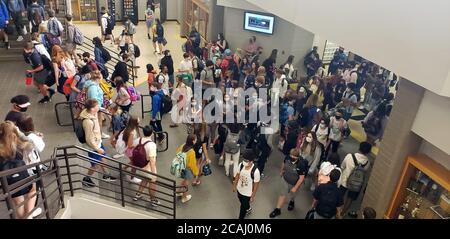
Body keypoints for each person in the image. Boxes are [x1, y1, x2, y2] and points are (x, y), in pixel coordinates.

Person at [0, 121, 40, 219]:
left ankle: (26, 217)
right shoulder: (21, 144)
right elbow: (34, 145)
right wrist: (20, 134)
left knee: (17, 201)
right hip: (22, 176)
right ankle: (29, 215)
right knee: (33, 190)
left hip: (7, 181)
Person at [79, 99, 117, 187]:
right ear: (92, 109)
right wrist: (97, 149)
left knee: (103, 159)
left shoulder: (92, 113)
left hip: (98, 142)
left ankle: (106, 174)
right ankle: (86, 179)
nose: (98, 106)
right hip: (94, 146)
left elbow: (99, 110)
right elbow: (89, 139)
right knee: (95, 165)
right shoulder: (88, 122)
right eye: (97, 106)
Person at [269, 149, 308, 218]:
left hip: (294, 183)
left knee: (293, 194)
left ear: (298, 157)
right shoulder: (287, 158)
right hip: (285, 180)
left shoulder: (300, 165)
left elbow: (301, 178)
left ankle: (292, 201)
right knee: (282, 194)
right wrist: (281, 171)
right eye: (291, 156)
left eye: (294, 157)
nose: (292, 158)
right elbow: (283, 163)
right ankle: (278, 209)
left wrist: (295, 187)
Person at [339, 142, 372, 217]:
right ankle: (342, 213)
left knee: (340, 195)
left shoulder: (349, 156)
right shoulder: (367, 162)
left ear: (359, 148)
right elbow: (365, 172)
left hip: (345, 180)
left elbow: (342, 166)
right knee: (350, 198)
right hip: (356, 184)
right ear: (368, 152)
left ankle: (336, 210)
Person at [132, 126, 159, 206]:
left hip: (140, 165)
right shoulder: (152, 145)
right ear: (151, 133)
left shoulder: (138, 140)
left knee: (145, 178)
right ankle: (153, 200)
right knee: (152, 182)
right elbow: (152, 160)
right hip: (148, 167)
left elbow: (133, 148)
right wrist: (154, 174)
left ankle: (138, 194)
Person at [232, 149, 261, 219]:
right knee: (240, 199)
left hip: (247, 193)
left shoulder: (256, 172)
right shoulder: (241, 165)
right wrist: (234, 185)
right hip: (239, 189)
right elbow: (237, 175)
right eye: (243, 160)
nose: (244, 162)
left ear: (251, 161)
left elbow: (256, 184)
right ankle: (248, 208)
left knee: (242, 207)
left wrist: (252, 196)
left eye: (246, 161)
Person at [84, 70, 110, 139]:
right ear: (99, 78)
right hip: (96, 108)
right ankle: (99, 134)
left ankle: (99, 134)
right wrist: (100, 108)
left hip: (97, 107)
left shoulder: (94, 85)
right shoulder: (93, 87)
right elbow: (93, 99)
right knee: (98, 122)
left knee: (98, 122)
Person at [176, 134, 198, 203]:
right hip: (187, 170)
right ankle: (184, 197)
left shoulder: (182, 146)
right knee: (186, 183)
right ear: (193, 141)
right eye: (195, 139)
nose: (196, 140)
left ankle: (178, 192)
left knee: (184, 181)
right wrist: (195, 173)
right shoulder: (191, 152)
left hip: (180, 167)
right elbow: (192, 165)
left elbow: (177, 153)